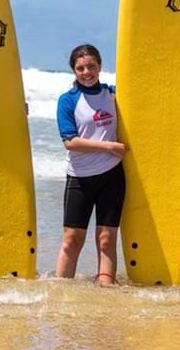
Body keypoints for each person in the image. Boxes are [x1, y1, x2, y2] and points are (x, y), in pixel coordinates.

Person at [55, 44, 128, 285]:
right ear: (74, 71)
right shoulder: (68, 100)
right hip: (80, 177)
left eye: (91, 66)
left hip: (112, 176)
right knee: (72, 238)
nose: (87, 72)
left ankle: (106, 288)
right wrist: (110, 147)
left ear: (100, 66)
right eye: (81, 68)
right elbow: (70, 142)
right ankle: (61, 290)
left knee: (107, 237)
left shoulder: (115, 94)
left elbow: (148, 97)